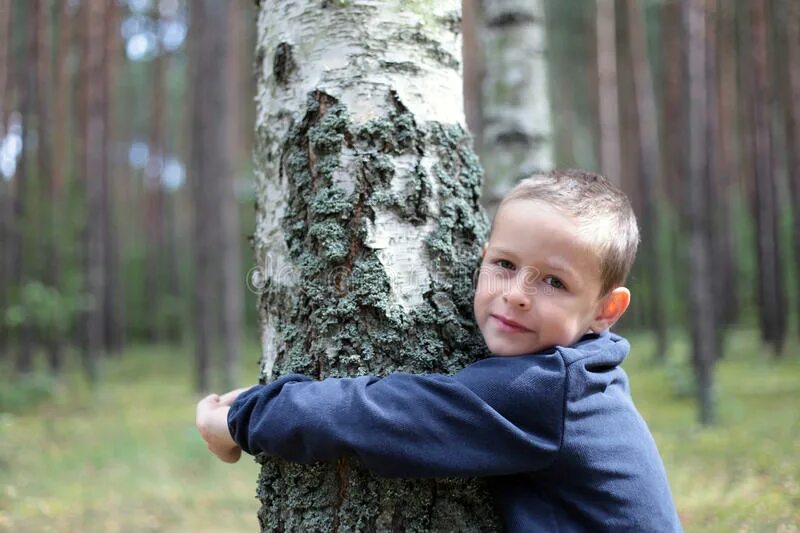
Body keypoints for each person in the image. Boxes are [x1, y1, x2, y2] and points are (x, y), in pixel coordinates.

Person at [196, 169, 682, 531]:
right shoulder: (582, 378)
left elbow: (387, 416)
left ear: (605, 310)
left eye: (554, 281)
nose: (517, 293)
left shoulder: (549, 389)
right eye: (505, 264)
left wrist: (246, 418)